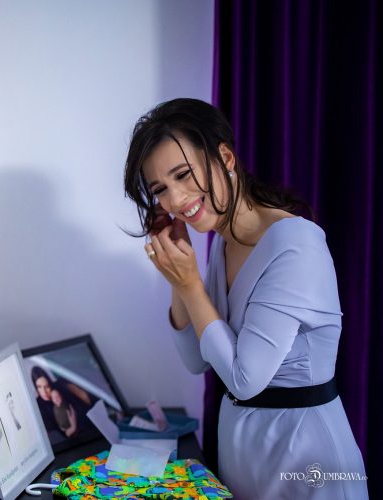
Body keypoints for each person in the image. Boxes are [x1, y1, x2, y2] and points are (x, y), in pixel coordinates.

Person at [124, 98, 368, 498]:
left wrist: (190, 284)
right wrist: (179, 275)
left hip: (305, 457)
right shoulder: (224, 242)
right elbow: (197, 359)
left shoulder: (296, 244)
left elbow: (244, 379)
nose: (176, 200)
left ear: (225, 157)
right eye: (160, 190)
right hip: (243, 452)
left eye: (183, 174)